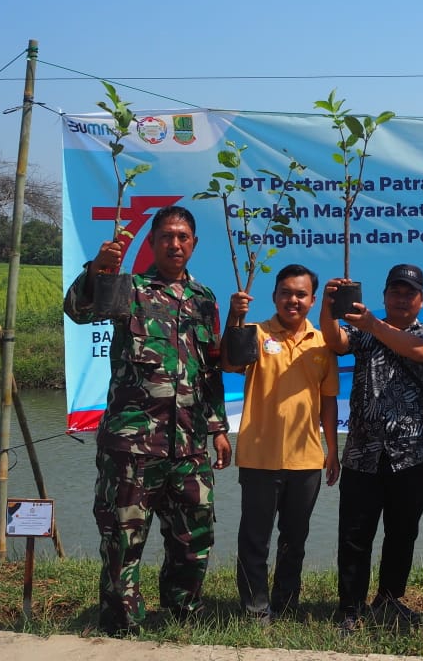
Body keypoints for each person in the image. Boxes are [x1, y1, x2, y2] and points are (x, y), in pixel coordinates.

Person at [63, 205, 232, 637]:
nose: (175, 244)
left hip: (189, 445)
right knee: (123, 543)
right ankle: (123, 630)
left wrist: (217, 428)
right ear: (153, 242)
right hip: (133, 445)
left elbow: (208, 370)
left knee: (193, 542)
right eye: (166, 237)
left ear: (193, 243)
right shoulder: (130, 289)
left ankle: (181, 621)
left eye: (183, 237)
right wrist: (98, 269)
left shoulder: (204, 299)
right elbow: (79, 311)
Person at [319, 264, 423, 629]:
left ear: (422, 300)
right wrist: (328, 308)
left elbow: (420, 352)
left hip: (412, 454)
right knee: (355, 533)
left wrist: (373, 324)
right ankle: (350, 607)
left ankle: (389, 599)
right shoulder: (362, 334)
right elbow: (335, 342)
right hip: (363, 452)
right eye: (396, 291)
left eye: (410, 293)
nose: (402, 298)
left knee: (402, 532)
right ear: (385, 295)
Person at [224, 264, 340, 621]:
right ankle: (255, 609)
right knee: (255, 540)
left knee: (294, 541)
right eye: (286, 293)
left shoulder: (323, 343)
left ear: (312, 300)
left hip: (306, 460)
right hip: (259, 457)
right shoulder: (255, 334)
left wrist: (333, 450)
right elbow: (229, 363)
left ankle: (288, 605)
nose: (293, 300)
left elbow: (329, 401)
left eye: (301, 294)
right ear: (275, 296)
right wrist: (234, 317)